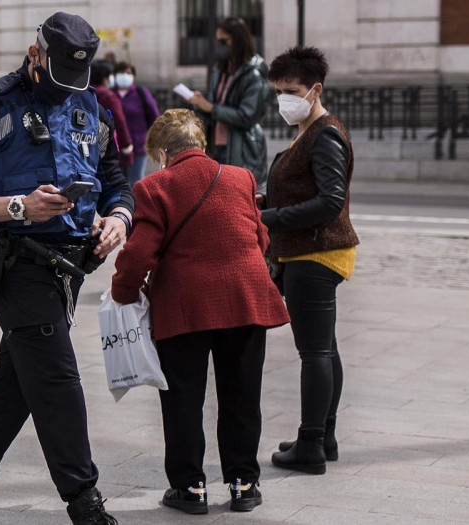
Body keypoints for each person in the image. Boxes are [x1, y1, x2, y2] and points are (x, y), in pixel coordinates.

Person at [0, 12, 133, 525]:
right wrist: (18, 206)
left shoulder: (90, 104)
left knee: (15, 387)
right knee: (59, 384)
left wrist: (118, 218)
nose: (67, 90)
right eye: (58, 76)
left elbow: (116, 180)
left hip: (69, 270)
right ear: (35, 53)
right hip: (18, 266)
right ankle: (86, 508)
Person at [109, 109, 289, 515]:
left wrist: (122, 293)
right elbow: (259, 236)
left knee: (184, 400)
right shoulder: (240, 178)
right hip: (245, 300)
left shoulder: (154, 187)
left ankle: (190, 488)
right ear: (202, 146)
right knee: (242, 395)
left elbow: (138, 253)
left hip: (185, 308)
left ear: (162, 153)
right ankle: (244, 484)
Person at [261, 46, 358, 476]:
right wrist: (267, 199)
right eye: (279, 91)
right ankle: (323, 435)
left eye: (292, 90)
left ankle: (310, 445)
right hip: (309, 250)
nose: (284, 98)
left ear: (315, 89)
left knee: (314, 352)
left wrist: (267, 217)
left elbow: (330, 201)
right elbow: (305, 190)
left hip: (315, 252)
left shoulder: (325, 134)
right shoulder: (308, 130)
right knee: (326, 349)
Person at [189, 17, 270, 192]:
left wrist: (211, 107)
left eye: (223, 41)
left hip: (242, 149)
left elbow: (247, 116)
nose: (219, 45)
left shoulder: (253, 74)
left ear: (238, 40)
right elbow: (212, 105)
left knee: (238, 197)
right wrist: (200, 105)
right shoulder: (220, 71)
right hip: (215, 146)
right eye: (218, 41)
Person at [113, 62, 161, 185]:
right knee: (117, 183)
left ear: (133, 75)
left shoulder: (141, 93)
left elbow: (155, 118)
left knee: (136, 182)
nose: (124, 76)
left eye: (128, 73)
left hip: (138, 147)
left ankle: (135, 204)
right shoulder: (110, 94)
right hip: (115, 148)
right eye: (121, 73)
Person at [90, 60, 135, 168]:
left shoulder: (85, 94)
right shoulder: (109, 96)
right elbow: (119, 122)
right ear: (105, 78)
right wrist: (126, 145)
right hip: (110, 149)